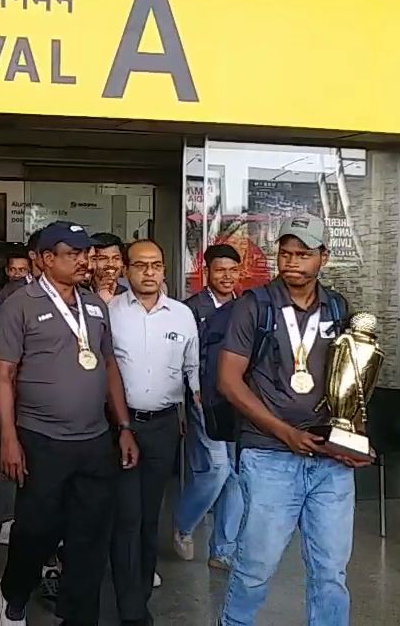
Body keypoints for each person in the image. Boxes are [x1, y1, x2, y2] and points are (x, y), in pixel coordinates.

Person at [217, 214, 369, 626]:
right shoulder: (256, 306)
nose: (292, 262)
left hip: (329, 462)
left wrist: (352, 439)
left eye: (303, 254)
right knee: (255, 569)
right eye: (285, 253)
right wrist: (284, 433)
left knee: (331, 574)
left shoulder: (338, 307)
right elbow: (229, 382)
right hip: (269, 457)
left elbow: (350, 383)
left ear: (324, 257)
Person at [0, 221, 139, 626]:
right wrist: (8, 437)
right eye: (72, 253)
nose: (84, 261)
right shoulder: (19, 305)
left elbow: (108, 364)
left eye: (85, 253)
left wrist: (123, 426)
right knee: (36, 530)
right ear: (44, 259)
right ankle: (13, 594)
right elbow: (3, 375)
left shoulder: (94, 304)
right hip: (41, 438)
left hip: (94, 440)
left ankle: (77, 615)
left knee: (89, 536)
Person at [108, 239, 195, 626]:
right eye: (140, 265)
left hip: (162, 425)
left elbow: (193, 372)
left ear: (164, 270)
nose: (149, 272)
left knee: (148, 518)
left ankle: (140, 594)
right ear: (126, 269)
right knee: (127, 516)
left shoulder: (182, 315)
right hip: (121, 428)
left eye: (156, 265)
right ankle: (129, 607)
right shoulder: (108, 312)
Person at [174, 243, 244, 569]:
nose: (227, 276)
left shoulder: (246, 307)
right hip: (204, 400)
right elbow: (182, 359)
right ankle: (184, 525)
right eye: (220, 270)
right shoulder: (190, 309)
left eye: (233, 270)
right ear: (207, 273)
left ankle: (223, 551)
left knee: (236, 477)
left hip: (238, 401)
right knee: (217, 470)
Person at [0, 247, 34, 545]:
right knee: (12, 448)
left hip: (47, 390)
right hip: (16, 385)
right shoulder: (9, 297)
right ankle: (7, 517)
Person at [90, 232, 127, 305]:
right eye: (103, 258)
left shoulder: (127, 294)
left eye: (116, 258)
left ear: (122, 262)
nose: (110, 264)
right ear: (91, 261)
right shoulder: (80, 293)